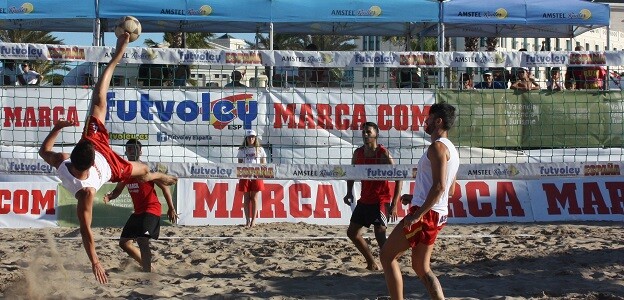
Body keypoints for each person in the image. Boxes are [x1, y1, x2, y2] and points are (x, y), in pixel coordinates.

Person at [38, 33, 178, 284]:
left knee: (99, 100)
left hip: (96, 145)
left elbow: (43, 151)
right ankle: (160, 176)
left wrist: (58, 127)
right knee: (145, 170)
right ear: (90, 163)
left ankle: (117, 55)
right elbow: (86, 231)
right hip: (113, 168)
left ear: (74, 155)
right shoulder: (86, 194)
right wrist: (95, 262)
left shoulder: (62, 159)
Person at [380, 102, 459, 300]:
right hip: (436, 213)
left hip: (427, 215)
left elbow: (441, 187)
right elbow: (451, 190)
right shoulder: (452, 150)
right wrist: (415, 198)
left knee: (387, 255)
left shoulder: (437, 148)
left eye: (429, 118)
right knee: (421, 267)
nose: (425, 121)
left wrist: (417, 214)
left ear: (438, 121)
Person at [103, 139, 178, 272]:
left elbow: (165, 187)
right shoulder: (126, 172)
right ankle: (149, 267)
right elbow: (117, 190)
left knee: (142, 239)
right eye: (129, 149)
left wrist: (171, 208)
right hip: (138, 212)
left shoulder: (145, 169)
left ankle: (147, 273)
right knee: (124, 243)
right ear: (126, 152)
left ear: (140, 151)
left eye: (134, 148)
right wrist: (109, 196)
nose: (132, 151)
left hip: (151, 208)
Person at [343, 122, 402, 271]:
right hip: (365, 200)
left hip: (381, 200)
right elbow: (351, 173)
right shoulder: (358, 153)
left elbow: (399, 177)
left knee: (380, 234)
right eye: (363, 132)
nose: (365, 134)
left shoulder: (383, 153)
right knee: (352, 233)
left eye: (368, 132)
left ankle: (392, 266)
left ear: (376, 134)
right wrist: (349, 191)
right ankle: (371, 263)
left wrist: (394, 203)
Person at [237, 129, 266, 227]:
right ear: (246, 138)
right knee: (246, 198)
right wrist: (241, 174)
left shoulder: (260, 149)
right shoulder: (242, 150)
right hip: (245, 175)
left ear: (255, 138)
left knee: (254, 198)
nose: (251, 139)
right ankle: (247, 220)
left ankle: (253, 220)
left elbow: (263, 163)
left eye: (253, 137)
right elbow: (239, 163)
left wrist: (261, 172)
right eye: (249, 137)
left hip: (256, 175)